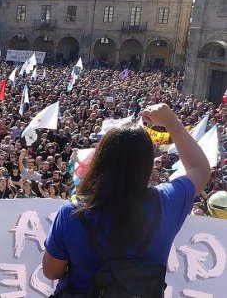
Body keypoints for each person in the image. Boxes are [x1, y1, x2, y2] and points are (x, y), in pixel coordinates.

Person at [42, 103, 210, 296]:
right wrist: (173, 124)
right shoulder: (167, 203)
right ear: (147, 163)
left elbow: (51, 271)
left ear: (101, 159)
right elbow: (201, 170)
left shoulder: (72, 213)